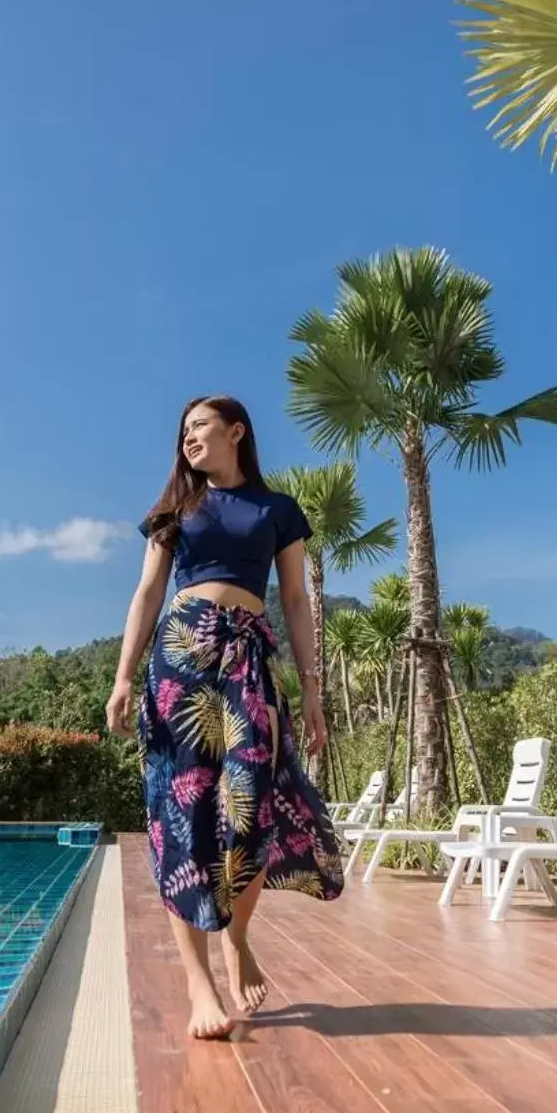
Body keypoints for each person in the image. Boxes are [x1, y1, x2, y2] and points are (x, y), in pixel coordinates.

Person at [107, 394, 346, 1040]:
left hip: (248, 659)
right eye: (182, 429)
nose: (188, 438)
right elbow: (148, 592)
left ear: (236, 430)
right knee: (179, 816)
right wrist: (124, 674)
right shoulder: (174, 510)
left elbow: (295, 599)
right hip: (180, 661)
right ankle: (197, 978)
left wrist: (312, 689)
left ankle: (236, 938)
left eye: (200, 426)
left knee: (252, 807)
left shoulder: (277, 510)